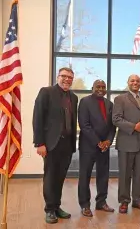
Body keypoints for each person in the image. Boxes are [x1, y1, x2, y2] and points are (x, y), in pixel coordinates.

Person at [32, 67, 78, 224]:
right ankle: (49, 209)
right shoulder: (46, 92)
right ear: (58, 77)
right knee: (50, 176)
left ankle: (57, 206)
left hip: (67, 144)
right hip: (51, 144)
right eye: (64, 76)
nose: (67, 79)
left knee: (60, 177)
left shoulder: (73, 97)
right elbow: (37, 118)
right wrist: (39, 143)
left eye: (70, 77)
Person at [112, 74, 140, 214]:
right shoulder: (120, 99)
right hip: (126, 143)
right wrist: (133, 127)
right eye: (132, 80)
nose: (135, 83)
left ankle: (137, 200)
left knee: (139, 174)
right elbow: (116, 119)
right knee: (125, 174)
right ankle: (124, 201)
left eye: (137, 81)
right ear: (128, 83)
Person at [77, 80, 117, 217]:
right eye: (98, 87)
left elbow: (113, 126)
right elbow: (84, 125)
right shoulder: (85, 102)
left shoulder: (109, 104)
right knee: (85, 176)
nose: (101, 89)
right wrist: (98, 142)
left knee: (103, 175)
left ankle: (101, 202)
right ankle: (85, 205)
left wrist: (108, 141)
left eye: (103, 87)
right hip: (88, 146)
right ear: (92, 88)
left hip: (104, 147)